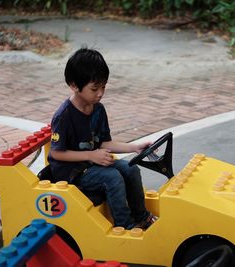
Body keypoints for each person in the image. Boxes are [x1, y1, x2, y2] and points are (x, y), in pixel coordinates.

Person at [48, 48, 157, 230]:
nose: (100, 93)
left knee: (130, 169)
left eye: (103, 87)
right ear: (74, 85)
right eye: (94, 88)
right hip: (72, 173)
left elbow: (103, 143)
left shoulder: (97, 109)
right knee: (112, 178)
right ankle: (125, 227)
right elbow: (57, 153)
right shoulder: (64, 115)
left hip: (92, 164)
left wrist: (134, 147)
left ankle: (142, 217)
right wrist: (91, 155)